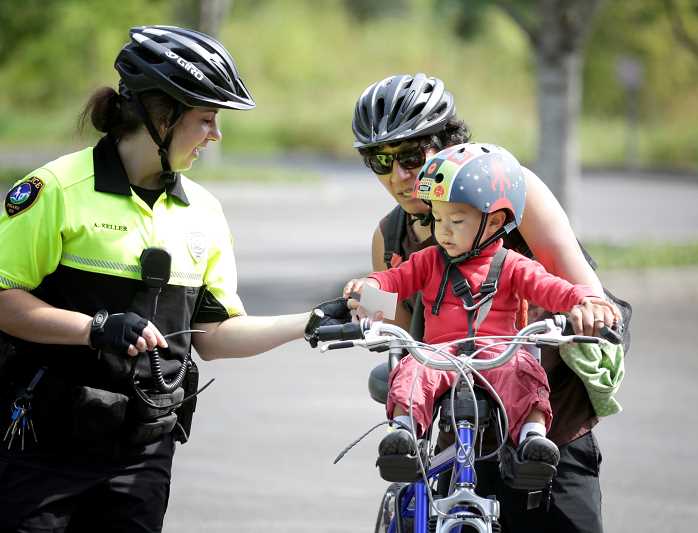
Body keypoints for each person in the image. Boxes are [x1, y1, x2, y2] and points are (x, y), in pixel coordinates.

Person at [0, 25, 347, 532]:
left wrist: (311, 321)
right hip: (43, 451)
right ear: (159, 116)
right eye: (206, 119)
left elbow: (214, 335)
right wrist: (94, 327)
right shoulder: (55, 190)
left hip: (143, 453)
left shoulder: (203, 212)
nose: (216, 135)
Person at [349, 73, 630, 533]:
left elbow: (583, 285)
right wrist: (362, 310)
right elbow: (395, 330)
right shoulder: (391, 236)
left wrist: (589, 308)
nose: (399, 176)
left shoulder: (513, 193)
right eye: (380, 160)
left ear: (446, 143)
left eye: (411, 156)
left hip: (548, 413)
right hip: (466, 421)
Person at [343, 143, 620, 482]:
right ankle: (403, 436)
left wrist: (585, 303)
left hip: (498, 356)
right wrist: (367, 288)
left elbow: (553, 287)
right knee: (411, 370)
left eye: (456, 220)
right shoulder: (428, 261)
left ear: (494, 222)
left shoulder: (513, 264)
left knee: (527, 374)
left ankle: (533, 441)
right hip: (440, 356)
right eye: (437, 218)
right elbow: (394, 280)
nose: (442, 231)